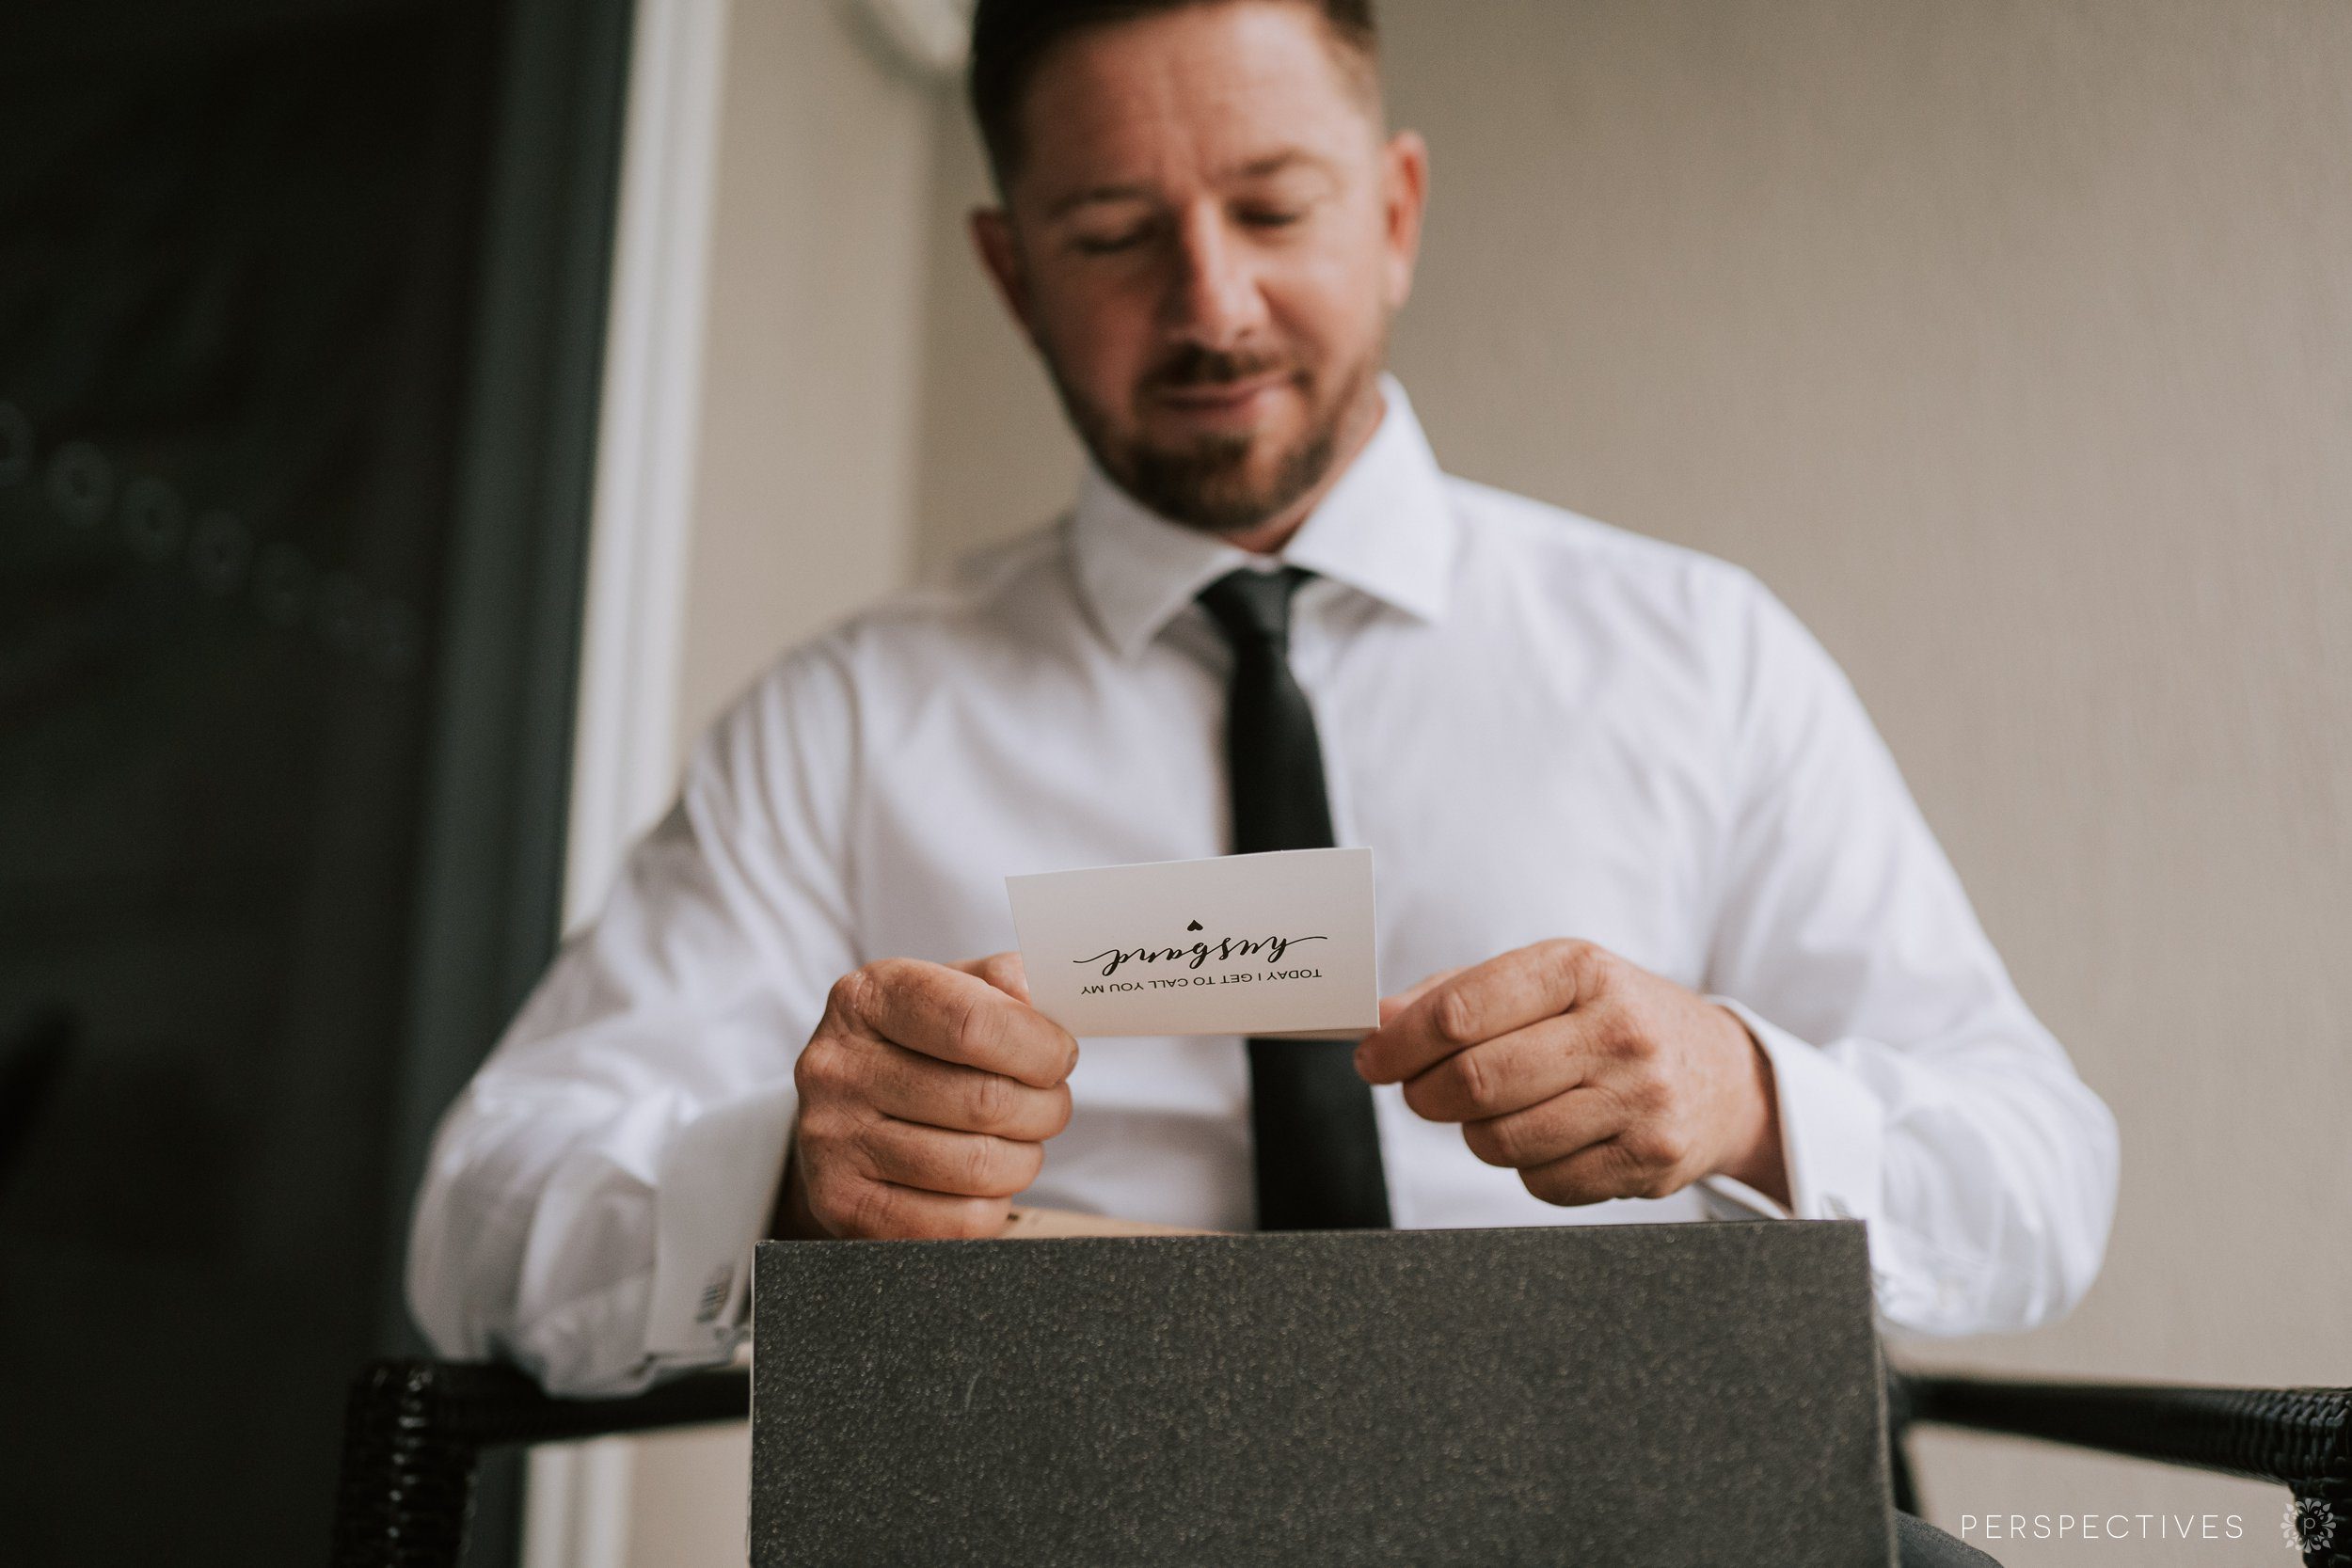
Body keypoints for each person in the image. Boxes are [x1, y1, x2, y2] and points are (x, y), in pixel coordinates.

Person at [407, 0, 2117, 1402]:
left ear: (1394, 214)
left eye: (1276, 211)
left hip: (1621, 1498)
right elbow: (476, 1232)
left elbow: (2046, 1179)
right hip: (1071, 1512)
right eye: (1113, 234)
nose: (1212, 305)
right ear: (1012, 276)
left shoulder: (1702, 652)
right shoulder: (844, 722)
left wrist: (1751, 1093)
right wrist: (783, 1174)